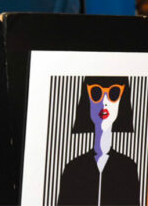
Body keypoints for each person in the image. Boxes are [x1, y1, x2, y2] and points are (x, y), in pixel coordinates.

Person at [57, 76, 140, 205]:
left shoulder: (128, 169)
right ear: (88, 99)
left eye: (113, 93)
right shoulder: (72, 169)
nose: (104, 102)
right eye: (96, 93)